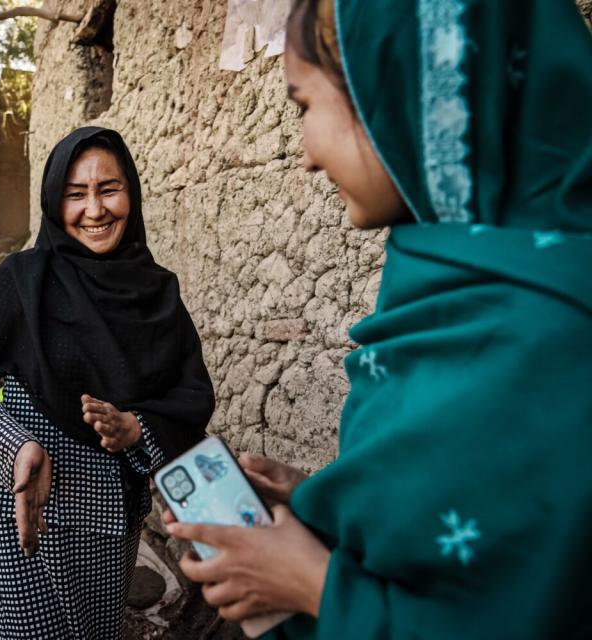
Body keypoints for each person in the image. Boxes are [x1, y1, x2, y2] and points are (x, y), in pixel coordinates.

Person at [165, 0, 592, 638]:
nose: (306, 155)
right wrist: (329, 504)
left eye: (306, 105)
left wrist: (313, 583)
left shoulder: (556, 336)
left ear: (397, 89)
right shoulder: (440, 284)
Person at [0, 127, 216, 639]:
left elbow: (189, 399)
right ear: (54, 201)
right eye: (75, 194)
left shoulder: (157, 294)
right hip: (24, 515)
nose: (95, 210)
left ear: (131, 194)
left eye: (108, 189)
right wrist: (17, 447)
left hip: (109, 527)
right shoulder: (22, 279)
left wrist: (137, 428)